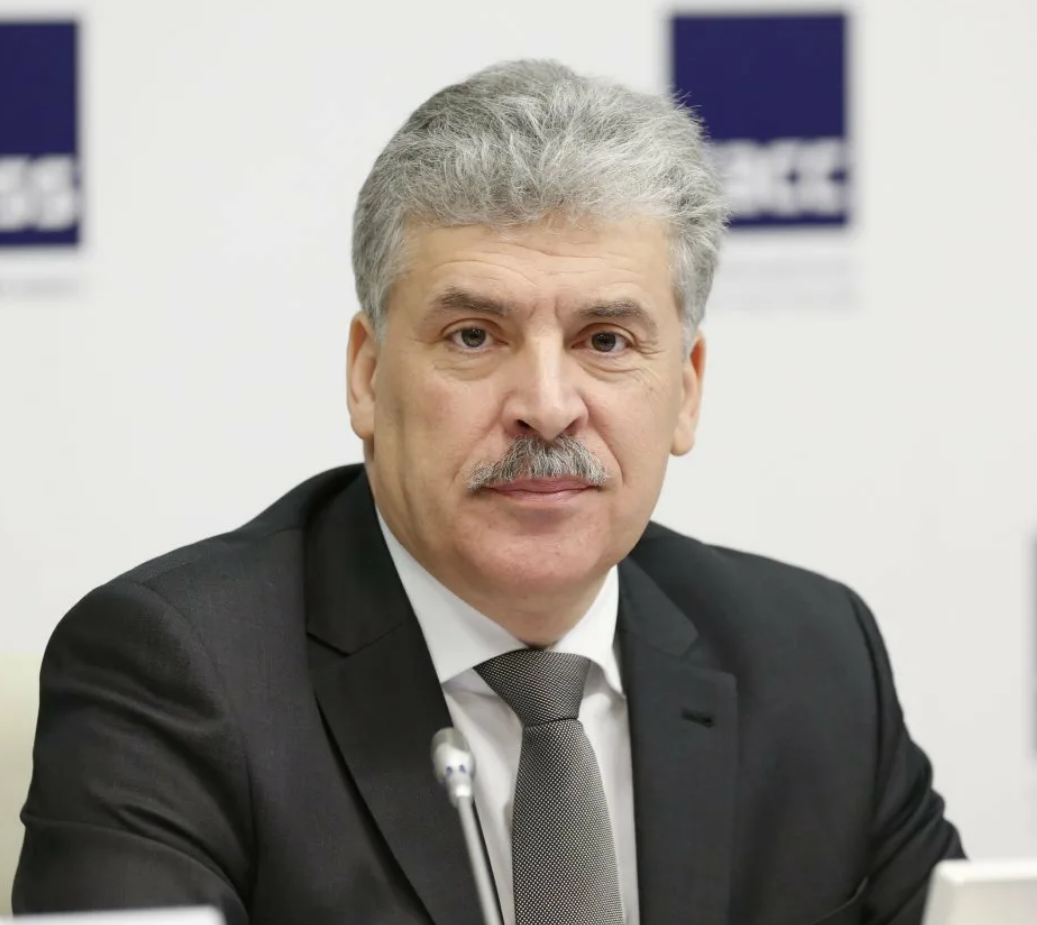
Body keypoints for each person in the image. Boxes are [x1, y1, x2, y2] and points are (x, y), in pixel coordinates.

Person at [14, 60, 962, 925]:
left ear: (686, 389)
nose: (546, 407)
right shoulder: (178, 673)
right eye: (473, 336)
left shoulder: (812, 660)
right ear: (366, 376)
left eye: (605, 341)